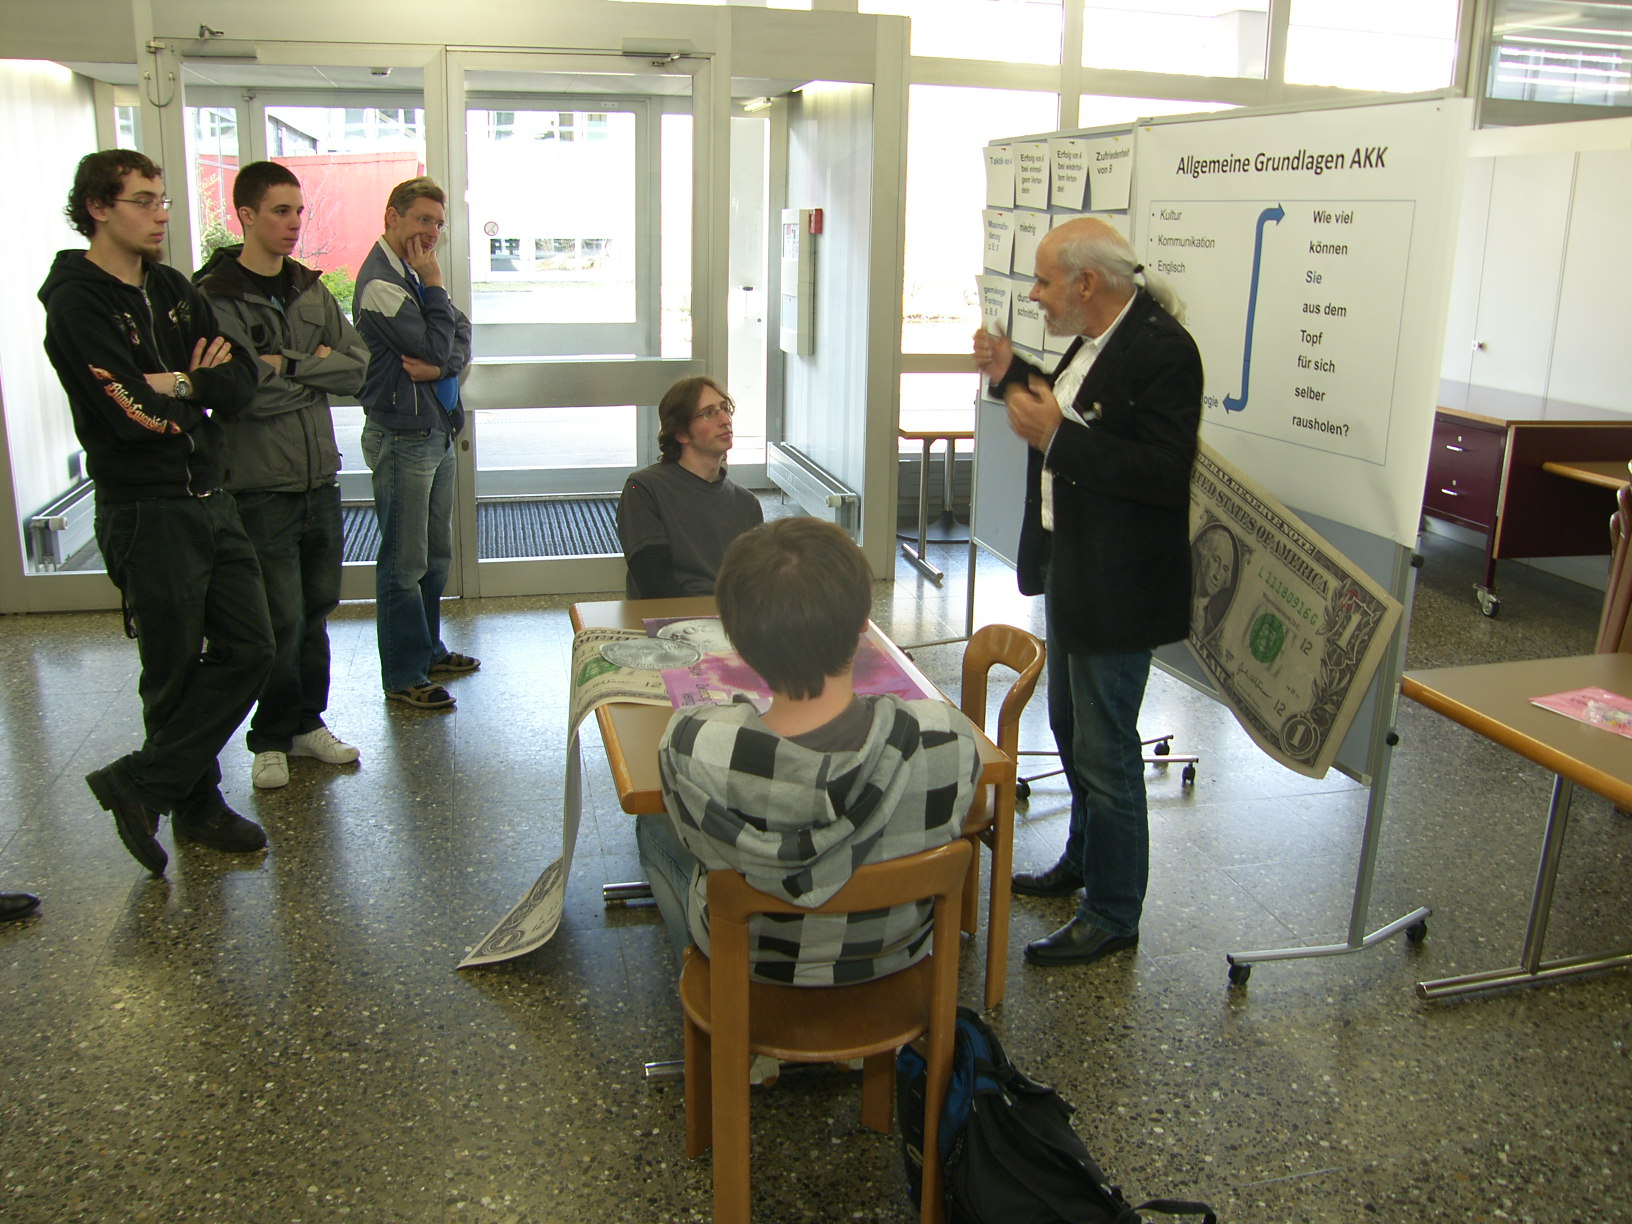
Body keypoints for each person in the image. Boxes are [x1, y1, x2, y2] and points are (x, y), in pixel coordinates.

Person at [973, 216, 1202, 967]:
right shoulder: (1098, 339)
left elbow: (1163, 474)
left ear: (1086, 283)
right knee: (1072, 732)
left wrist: (1058, 441)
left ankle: (1113, 911)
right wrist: (1010, 370)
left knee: (1107, 752)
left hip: (1120, 586)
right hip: (1074, 570)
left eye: (1044, 282)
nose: (1035, 295)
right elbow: (1065, 406)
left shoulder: (1164, 351)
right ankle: (1083, 859)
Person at [40, 149, 274, 874]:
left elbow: (241, 379)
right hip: (146, 509)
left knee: (251, 648)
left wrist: (181, 386)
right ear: (98, 208)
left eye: (163, 200)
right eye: (143, 200)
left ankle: (141, 784)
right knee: (171, 669)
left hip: (209, 495)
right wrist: (193, 390)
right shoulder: (77, 303)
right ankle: (196, 805)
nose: (160, 214)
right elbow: (131, 415)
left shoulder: (171, 287)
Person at [637, 516, 982, 986]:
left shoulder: (689, 745)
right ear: (863, 624)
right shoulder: (948, 736)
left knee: (651, 828)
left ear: (737, 643)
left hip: (753, 966)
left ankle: (719, 997)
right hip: (892, 956)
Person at [195, 161, 371, 789]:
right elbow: (241, 391)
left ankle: (305, 724)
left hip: (318, 478)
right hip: (258, 483)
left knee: (317, 610)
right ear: (245, 215)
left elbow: (357, 368)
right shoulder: (214, 296)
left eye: (299, 211)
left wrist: (285, 364)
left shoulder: (309, 289)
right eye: (280, 211)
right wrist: (313, 368)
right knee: (278, 619)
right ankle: (269, 737)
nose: (295, 223)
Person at [354, 176, 478, 711]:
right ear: (392, 216)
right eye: (423, 220)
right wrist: (435, 287)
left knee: (434, 554)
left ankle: (428, 650)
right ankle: (404, 674)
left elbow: (459, 336)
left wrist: (442, 364)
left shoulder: (410, 273)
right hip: (403, 434)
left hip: (434, 427)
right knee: (403, 563)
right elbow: (435, 343)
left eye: (438, 224)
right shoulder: (382, 283)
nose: (431, 232)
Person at [617, 376, 763, 599]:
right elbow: (654, 582)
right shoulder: (644, 489)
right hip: (670, 616)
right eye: (709, 413)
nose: (725, 420)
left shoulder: (746, 503)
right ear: (681, 433)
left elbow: (754, 583)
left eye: (725, 409)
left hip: (731, 615)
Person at [1190, 523, 1239, 643]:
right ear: (1204, 554)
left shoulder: (1210, 627)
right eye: (1216, 560)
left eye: (1225, 569)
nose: (1217, 575)